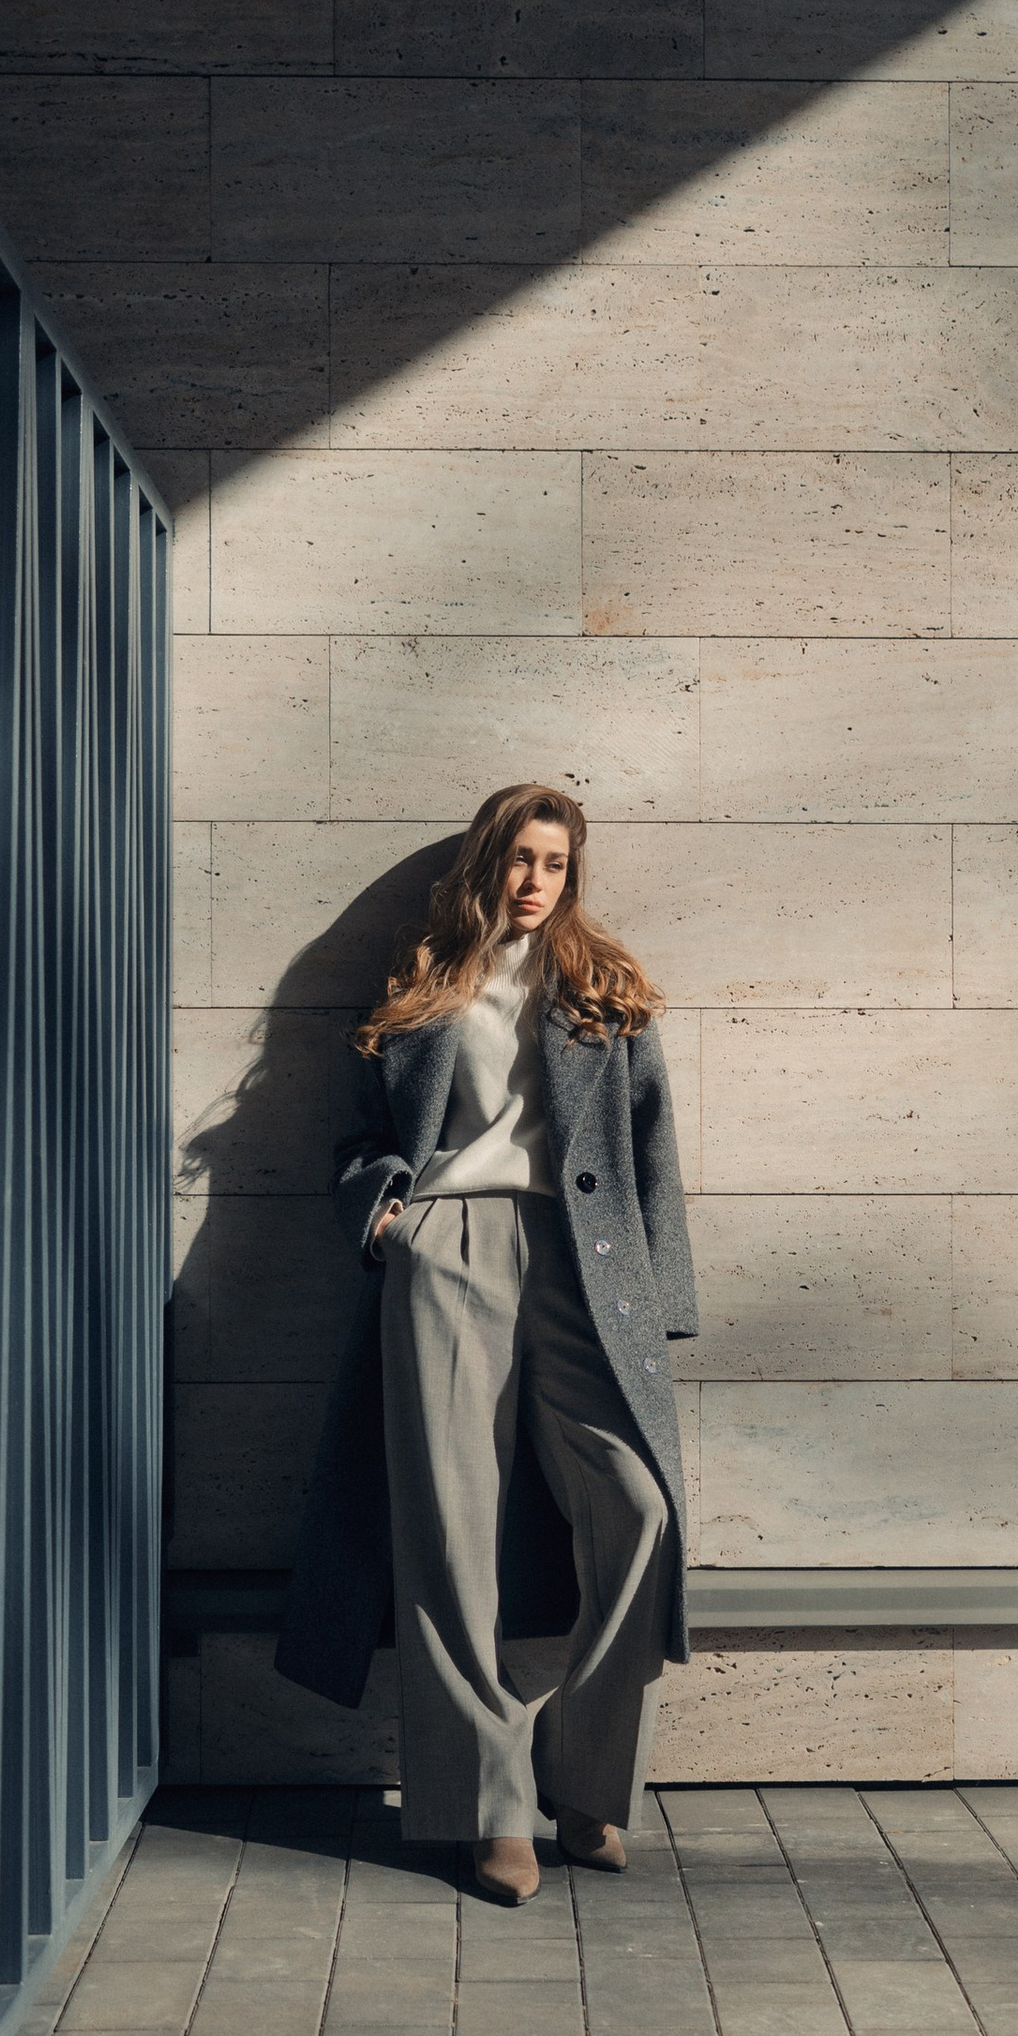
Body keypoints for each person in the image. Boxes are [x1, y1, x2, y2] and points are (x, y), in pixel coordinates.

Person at [274, 781, 697, 1906]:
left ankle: (584, 1777)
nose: (533, 880)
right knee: (449, 1537)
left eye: (554, 863)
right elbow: (363, 1137)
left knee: (637, 1509)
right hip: (445, 1252)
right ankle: (484, 1809)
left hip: (581, 1259)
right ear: (484, 862)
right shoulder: (424, 985)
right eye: (517, 856)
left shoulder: (603, 987)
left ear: (573, 876)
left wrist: (663, 1299)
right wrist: (386, 1218)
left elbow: (651, 1151)